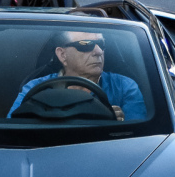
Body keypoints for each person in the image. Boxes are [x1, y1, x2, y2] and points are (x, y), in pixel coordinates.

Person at [8, 31, 147, 121]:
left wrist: (118, 125)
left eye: (101, 44)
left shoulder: (125, 87)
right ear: (62, 55)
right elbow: (13, 127)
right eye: (86, 45)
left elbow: (139, 138)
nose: (98, 51)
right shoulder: (34, 88)